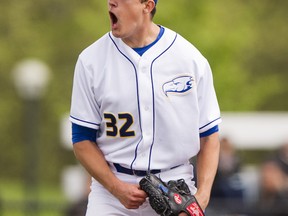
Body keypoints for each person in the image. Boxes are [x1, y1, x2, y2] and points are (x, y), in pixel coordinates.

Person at [69, 0, 221, 215]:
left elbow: (209, 136)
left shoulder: (189, 58)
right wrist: (116, 187)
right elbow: (82, 140)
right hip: (111, 190)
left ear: (147, 6)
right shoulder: (91, 60)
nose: (111, 2)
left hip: (176, 188)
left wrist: (201, 199)